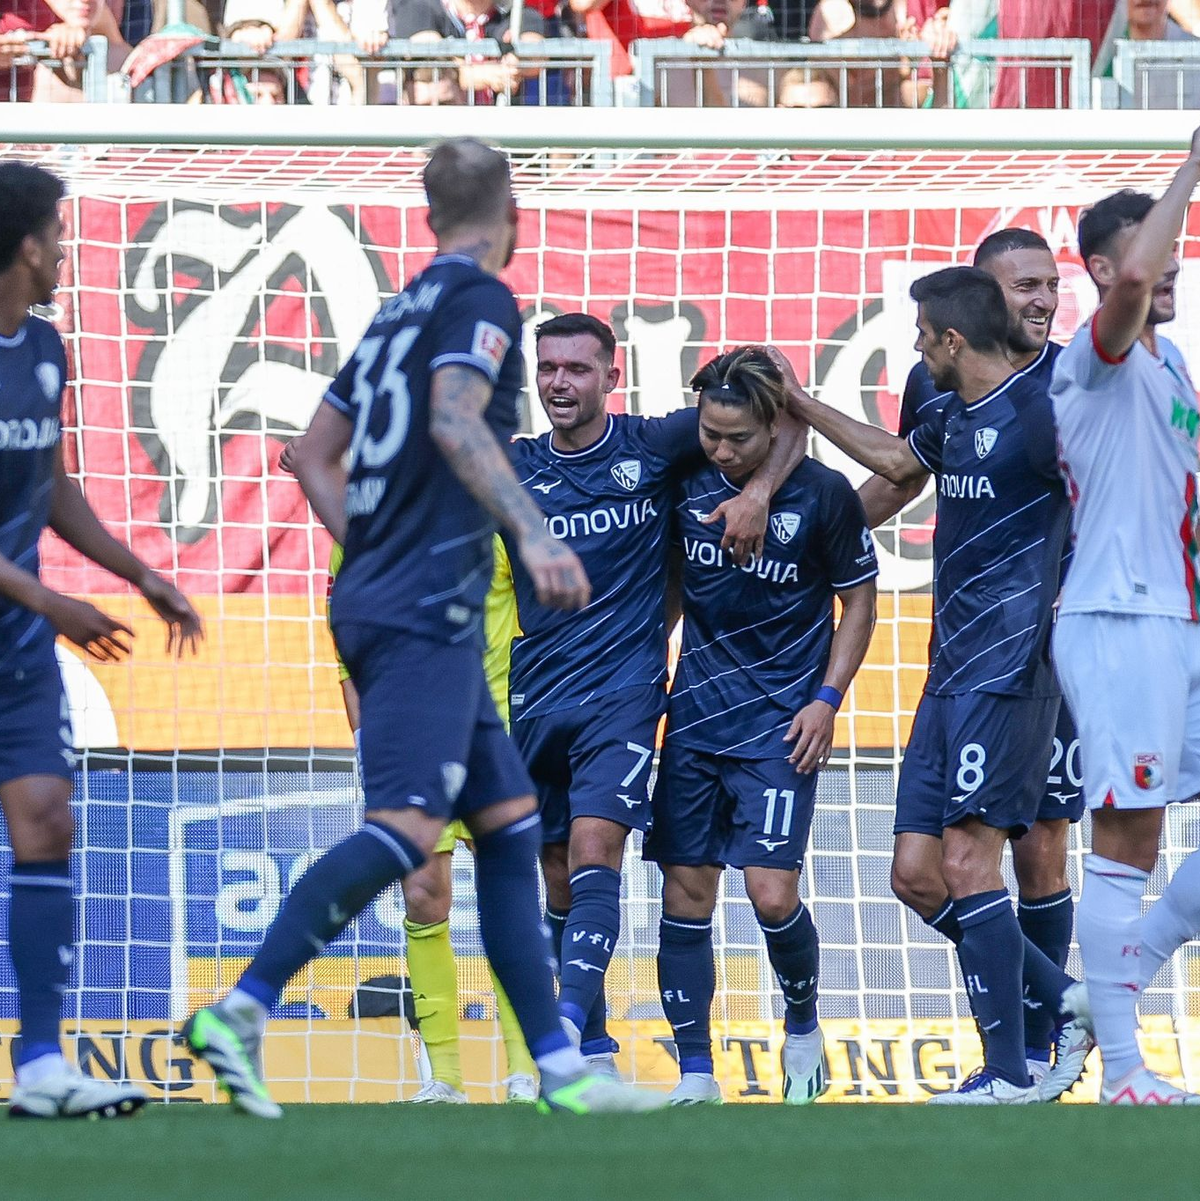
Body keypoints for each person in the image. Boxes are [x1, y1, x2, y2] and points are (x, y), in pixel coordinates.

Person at [182, 139, 662, 1118]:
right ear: (511, 214)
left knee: (510, 829)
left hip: (385, 594)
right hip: (424, 609)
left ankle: (563, 1070)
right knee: (406, 830)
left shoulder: (393, 313)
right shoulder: (482, 301)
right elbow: (453, 414)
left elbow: (312, 454)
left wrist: (372, 548)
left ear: (430, 211)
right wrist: (534, 538)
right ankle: (242, 1006)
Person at [787, 266, 1085, 1104]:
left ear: (954, 339)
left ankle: (1007, 1068)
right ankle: (1067, 1004)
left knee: (972, 860)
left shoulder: (1044, 416)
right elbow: (891, 460)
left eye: (922, 335)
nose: (916, 347)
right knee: (916, 874)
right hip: (945, 671)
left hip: (1010, 671)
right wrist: (803, 407)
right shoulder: (950, 410)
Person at [497, 312, 805, 1073]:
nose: (560, 382)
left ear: (613, 374)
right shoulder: (508, 467)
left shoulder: (652, 443)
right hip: (536, 695)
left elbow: (785, 415)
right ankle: (594, 1057)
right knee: (558, 871)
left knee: (600, 845)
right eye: (548, 368)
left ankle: (563, 1027)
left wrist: (760, 491)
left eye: (576, 368)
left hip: (626, 692)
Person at [0, 162, 205, 1118]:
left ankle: (41, 1064)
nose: (67, 251)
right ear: (27, 243)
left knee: (45, 817)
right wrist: (52, 602)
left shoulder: (44, 348)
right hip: (27, 615)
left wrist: (143, 574)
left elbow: (49, 487)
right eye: (59, 234)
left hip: (14, 646)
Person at [646, 347, 877, 1106]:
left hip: (781, 726)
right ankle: (695, 1072)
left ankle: (804, 1024)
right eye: (710, 433)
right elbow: (676, 582)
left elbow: (859, 600)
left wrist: (828, 697)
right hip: (696, 720)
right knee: (686, 894)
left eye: (737, 437)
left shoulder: (825, 496)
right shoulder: (686, 482)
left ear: (775, 427)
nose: (720, 448)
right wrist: (647, 676)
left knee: (772, 892)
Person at [1051, 137, 1200, 1105]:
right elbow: (1144, 265)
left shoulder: (1174, 361)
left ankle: (1120, 973)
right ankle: (1126, 1070)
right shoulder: (1092, 360)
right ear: (1103, 272)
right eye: (1155, 260)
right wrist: (1190, 164)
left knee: (1145, 842)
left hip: (1178, 618)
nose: (1172, 270)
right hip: (1119, 617)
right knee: (1129, 837)